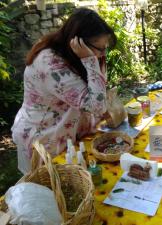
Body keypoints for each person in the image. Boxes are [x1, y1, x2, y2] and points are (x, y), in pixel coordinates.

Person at [11, 8, 117, 174]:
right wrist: (90, 60)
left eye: (105, 48)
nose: (103, 55)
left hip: (66, 131)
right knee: (48, 190)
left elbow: (96, 93)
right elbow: (97, 106)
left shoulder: (81, 55)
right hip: (42, 137)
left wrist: (94, 61)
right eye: (100, 48)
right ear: (78, 43)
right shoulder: (50, 63)